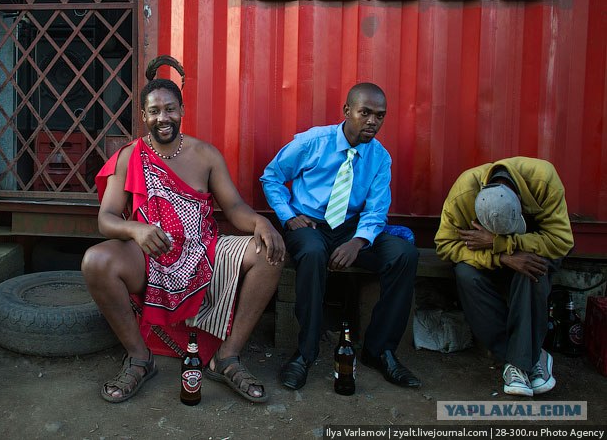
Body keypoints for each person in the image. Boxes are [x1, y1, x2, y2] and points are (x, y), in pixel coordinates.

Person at [82, 56, 285, 404]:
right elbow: (107, 219)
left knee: (269, 253)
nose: (163, 117)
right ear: (144, 115)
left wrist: (261, 223)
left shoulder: (206, 155)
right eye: (154, 111)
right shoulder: (130, 156)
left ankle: (228, 357)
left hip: (203, 248)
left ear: (182, 111)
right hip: (149, 253)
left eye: (170, 109)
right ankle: (139, 358)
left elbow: (234, 208)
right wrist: (136, 230)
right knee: (95, 260)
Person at [261, 83, 422, 391]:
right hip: (310, 226)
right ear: (347, 111)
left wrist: (358, 242)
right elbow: (272, 176)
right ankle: (305, 354)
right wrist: (289, 216)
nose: (372, 121)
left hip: (351, 228)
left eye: (380, 115)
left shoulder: (380, 157)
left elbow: (376, 210)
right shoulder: (313, 142)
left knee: (404, 255)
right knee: (312, 254)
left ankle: (380, 351)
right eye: (365, 113)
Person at [435, 158, 573, 397]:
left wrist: (500, 242)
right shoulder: (463, 192)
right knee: (465, 274)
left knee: (531, 269)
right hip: (489, 255)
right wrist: (501, 257)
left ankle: (518, 364)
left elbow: (561, 241)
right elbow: (445, 246)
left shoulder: (543, 178)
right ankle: (530, 357)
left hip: (535, 248)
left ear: (520, 201)